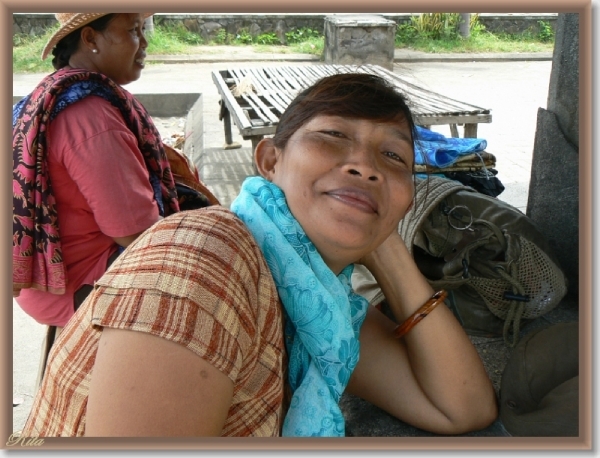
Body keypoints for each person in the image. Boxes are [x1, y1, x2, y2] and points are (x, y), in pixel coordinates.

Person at [21, 72, 498, 438]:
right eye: (333, 136)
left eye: (392, 157)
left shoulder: (319, 306)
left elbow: (461, 406)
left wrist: (387, 247)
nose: (365, 166)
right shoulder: (204, 259)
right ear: (270, 161)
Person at [12, 12, 214, 354]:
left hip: (50, 277)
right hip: (78, 283)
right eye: (134, 31)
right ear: (90, 39)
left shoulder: (56, 92)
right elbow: (136, 233)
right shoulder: (91, 116)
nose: (145, 42)